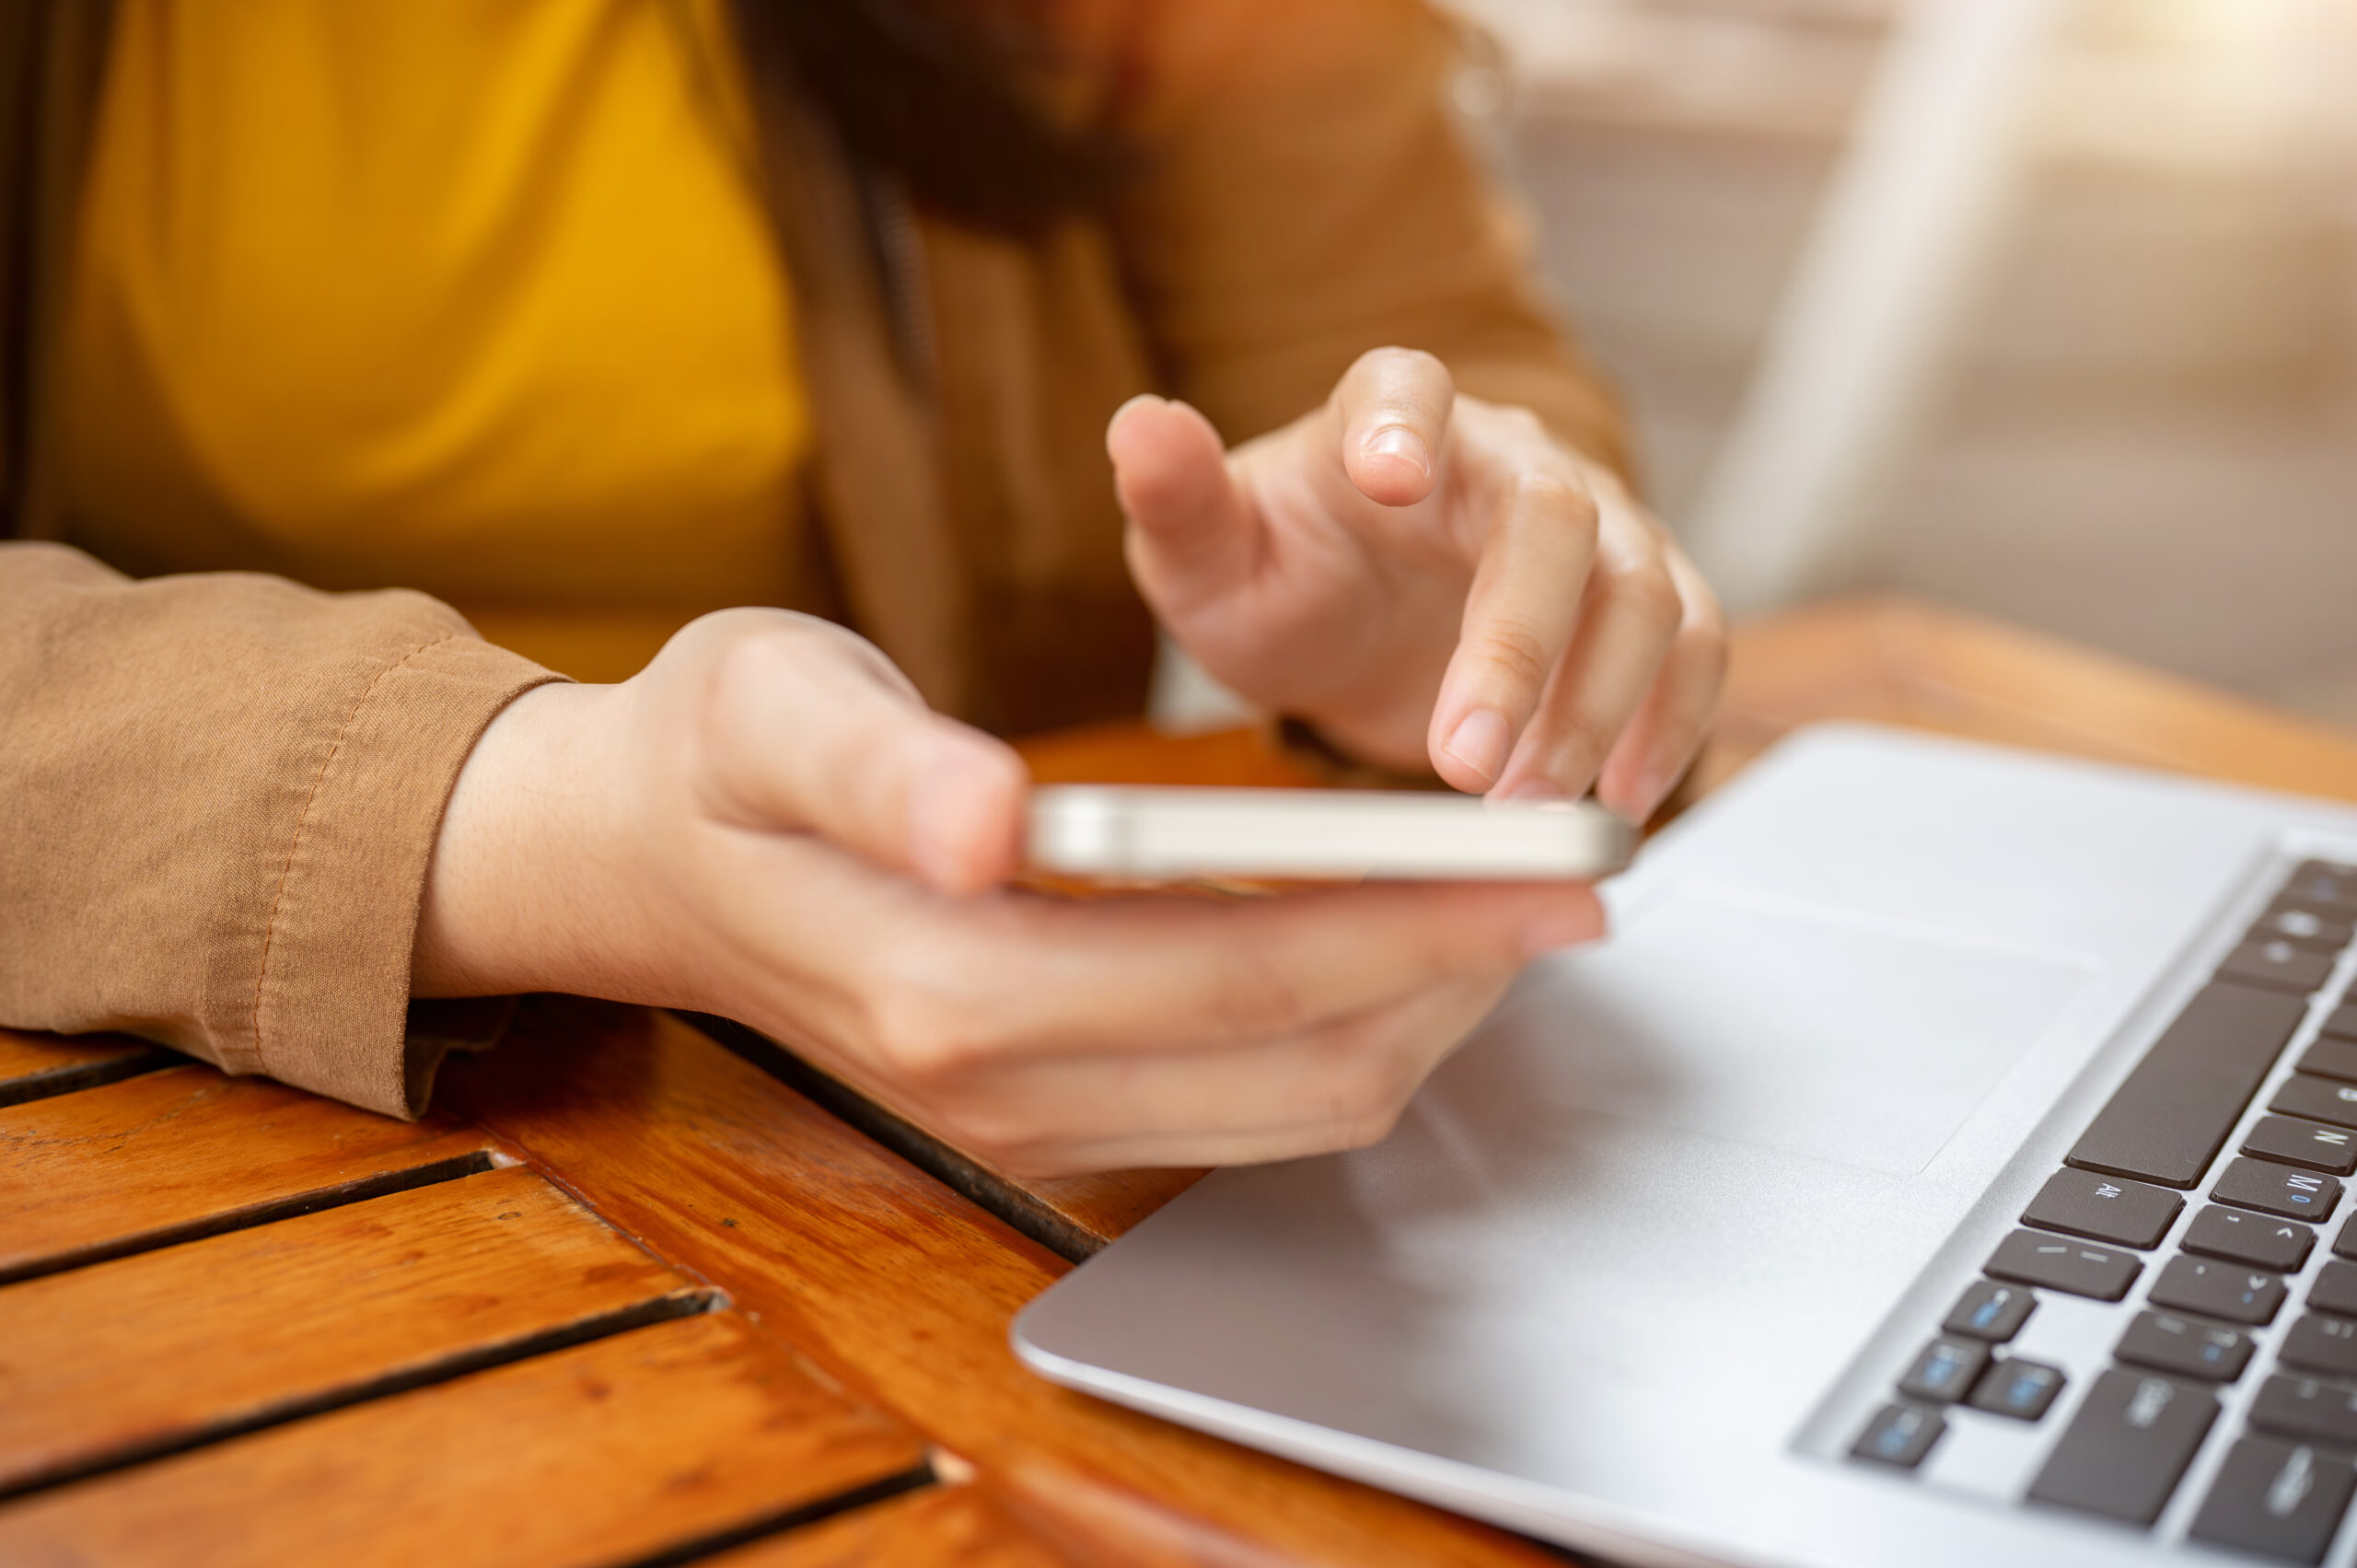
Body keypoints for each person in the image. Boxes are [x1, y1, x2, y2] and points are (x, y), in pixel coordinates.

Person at [0, 0, 1724, 1176]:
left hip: (914, 1157)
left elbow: (1437, 341)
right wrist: (540, 819)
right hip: (148, 1106)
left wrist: (1445, 614)